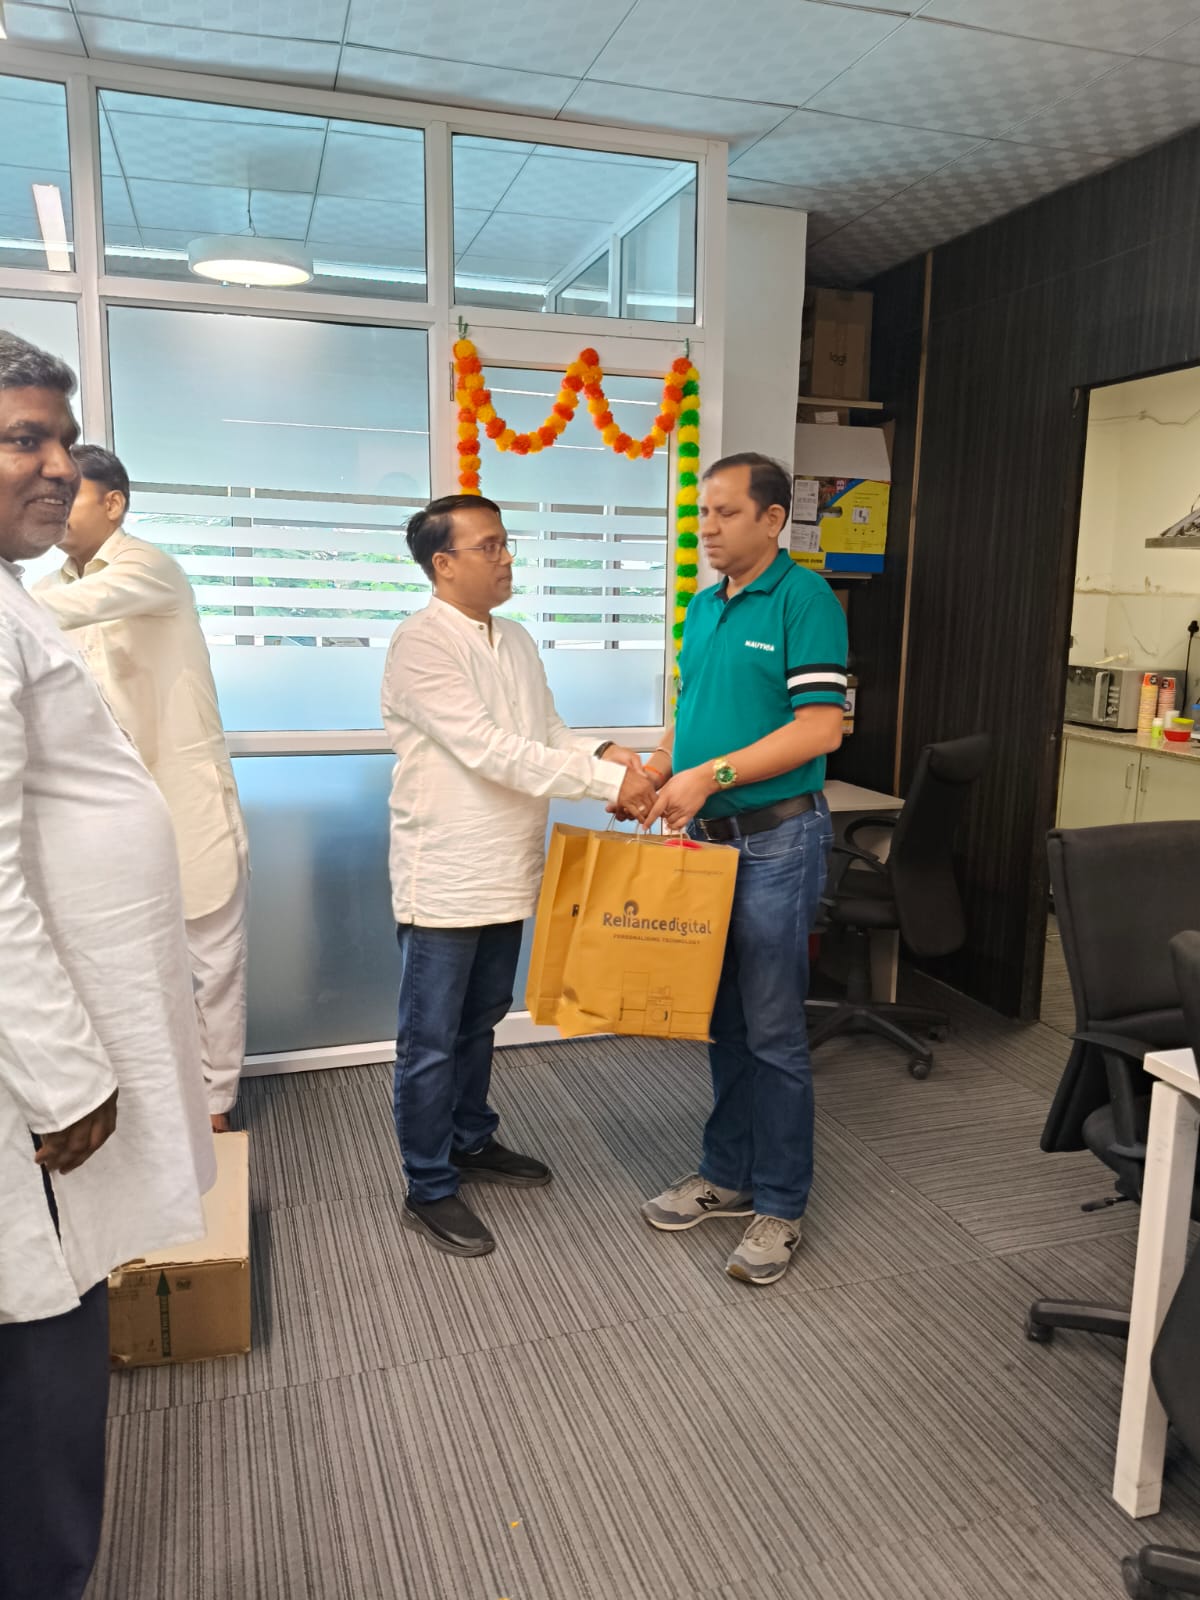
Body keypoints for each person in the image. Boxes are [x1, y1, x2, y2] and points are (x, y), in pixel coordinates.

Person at [0, 331, 214, 1600]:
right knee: (45, 1338)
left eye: (65, 442)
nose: (58, 466)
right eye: (24, 437)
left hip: (64, 1022)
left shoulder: (20, 591)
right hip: (42, 1069)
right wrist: (68, 1075)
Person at [382, 493, 656, 1259]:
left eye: (507, 544)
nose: (506, 559)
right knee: (430, 1038)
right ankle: (428, 1184)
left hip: (506, 864)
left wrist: (606, 755)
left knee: (482, 1019)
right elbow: (491, 750)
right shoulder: (421, 644)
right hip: (445, 873)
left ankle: (471, 1140)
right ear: (444, 564)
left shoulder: (516, 638)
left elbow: (544, 730)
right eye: (490, 546)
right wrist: (610, 784)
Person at [641, 453, 847, 1287]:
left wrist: (711, 775)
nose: (709, 528)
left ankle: (782, 1204)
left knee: (772, 1031)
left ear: (772, 519)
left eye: (726, 513)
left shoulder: (805, 600)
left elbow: (821, 729)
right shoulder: (704, 604)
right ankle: (726, 1175)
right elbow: (689, 707)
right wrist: (662, 768)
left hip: (775, 843)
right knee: (722, 1020)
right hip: (710, 845)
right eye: (703, 513)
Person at [34, 446, 250, 1133]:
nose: (55, 507)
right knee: (130, 964)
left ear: (113, 503)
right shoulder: (48, 585)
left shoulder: (147, 567)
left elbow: (71, 608)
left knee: (212, 961)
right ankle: (150, 1097)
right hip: (107, 811)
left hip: (185, 797)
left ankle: (216, 1100)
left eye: (69, 494)